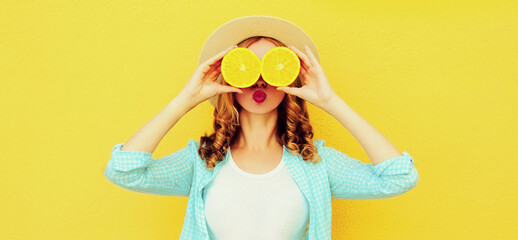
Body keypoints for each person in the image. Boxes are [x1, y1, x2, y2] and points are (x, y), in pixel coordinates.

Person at [104, 15, 419, 240]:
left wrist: (331, 101)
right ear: (229, 77)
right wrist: (185, 100)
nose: (259, 78)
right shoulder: (202, 161)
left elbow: (399, 177)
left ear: (290, 78)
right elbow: (124, 170)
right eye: (247, 67)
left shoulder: (316, 164)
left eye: (273, 66)